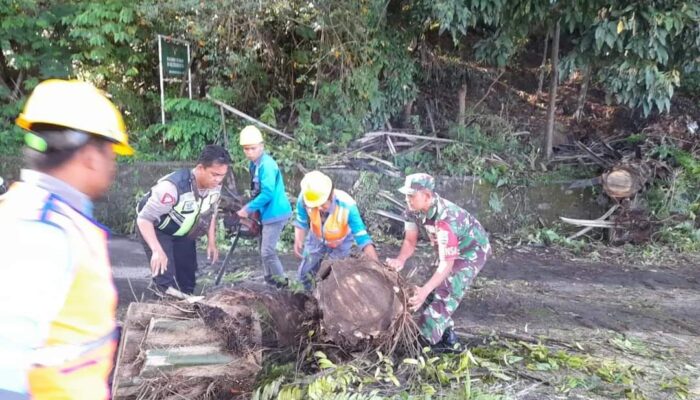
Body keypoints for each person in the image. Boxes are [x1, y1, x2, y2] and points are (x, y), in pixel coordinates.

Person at [0, 79, 134, 399]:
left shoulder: (51, 215)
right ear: (90, 155)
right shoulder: (40, 229)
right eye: (111, 153)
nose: (114, 165)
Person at [386, 173, 491, 352]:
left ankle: (422, 345)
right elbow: (410, 241)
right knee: (432, 288)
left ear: (427, 195)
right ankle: (449, 340)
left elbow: (447, 264)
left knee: (446, 290)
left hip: (470, 252)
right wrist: (400, 259)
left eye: (411, 195)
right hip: (447, 251)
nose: (407, 199)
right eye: (406, 195)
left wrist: (425, 290)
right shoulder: (412, 211)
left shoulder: (446, 219)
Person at [136, 145, 230, 295]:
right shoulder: (172, 188)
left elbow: (211, 212)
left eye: (222, 175)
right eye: (214, 174)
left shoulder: (215, 187)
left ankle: (187, 306)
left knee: (188, 278)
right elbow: (144, 219)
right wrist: (156, 250)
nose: (218, 180)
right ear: (200, 168)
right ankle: (163, 310)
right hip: (157, 229)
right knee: (166, 281)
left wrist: (211, 242)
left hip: (184, 231)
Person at [294, 170, 379, 290]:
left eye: (322, 205)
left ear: (331, 195)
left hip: (341, 242)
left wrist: (377, 268)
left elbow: (363, 238)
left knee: (334, 275)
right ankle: (303, 295)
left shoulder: (348, 206)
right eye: (314, 206)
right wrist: (298, 240)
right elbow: (301, 219)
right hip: (316, 238)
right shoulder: (306, 198)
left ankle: (326, 297)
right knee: (305, 271)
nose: (318, 208)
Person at [235, 125, 293, 286]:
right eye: (246, 149)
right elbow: (256, 190)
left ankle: (282, 283)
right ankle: (270, 280)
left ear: (261, 146)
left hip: (275, 212)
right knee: (263, 248)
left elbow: (267, 193)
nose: (249, 152)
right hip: (265, 213)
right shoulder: (254, 165)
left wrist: (247, 209)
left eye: (253, 148)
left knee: (267, 251)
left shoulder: (267, 165)